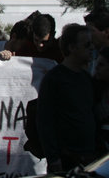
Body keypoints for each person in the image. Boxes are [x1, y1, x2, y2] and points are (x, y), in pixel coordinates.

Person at [37, 23, 100, 173]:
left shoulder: (86, 78)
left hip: (89, 158)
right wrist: (53, 158)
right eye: (87, 45)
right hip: (66, 159)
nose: (92, 49)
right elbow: (45, 120)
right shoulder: (54, 79)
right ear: (72, 48)